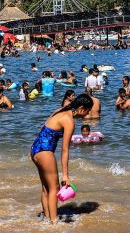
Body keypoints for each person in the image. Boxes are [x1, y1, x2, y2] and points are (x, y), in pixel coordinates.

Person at [30, 94, 94, 224]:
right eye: (87, 110)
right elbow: (65, 150)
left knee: (46, 188)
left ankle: (47, 218)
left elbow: (43, 128)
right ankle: (54, 222)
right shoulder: (69, 121)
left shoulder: (60, 111)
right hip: (45, 151)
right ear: (81, 108)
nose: (88, 114)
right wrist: (65, 175)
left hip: (35, 149)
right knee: (54, 188)